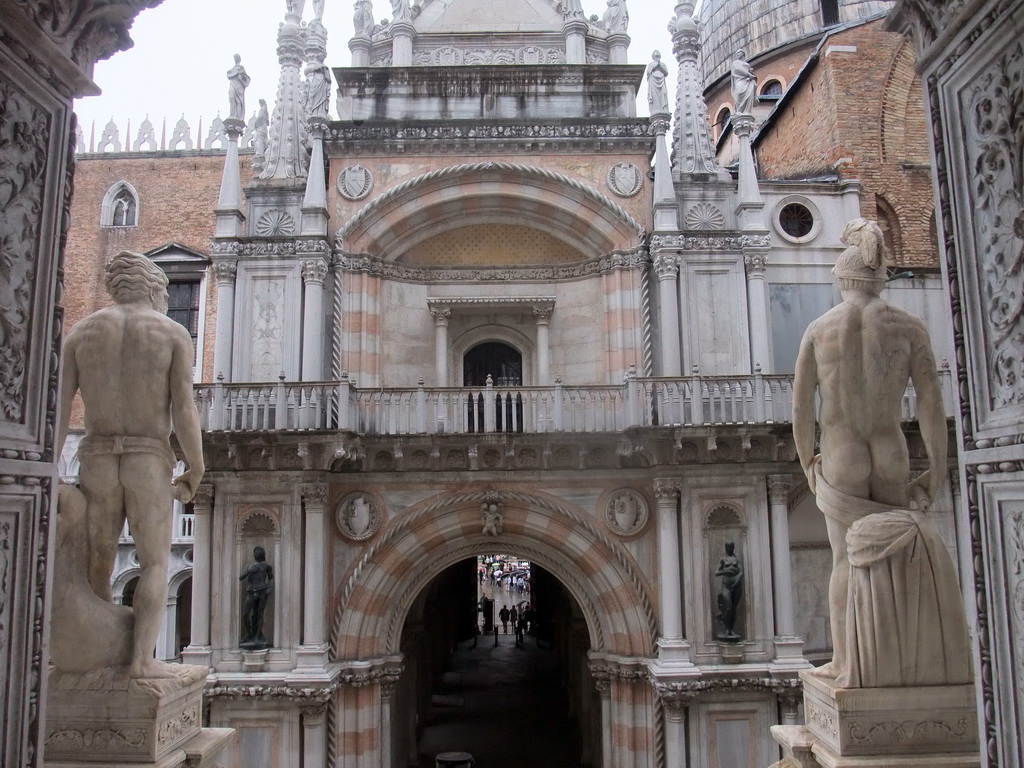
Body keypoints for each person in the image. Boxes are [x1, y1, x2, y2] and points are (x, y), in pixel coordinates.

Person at [793, 217, 951, 684]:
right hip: (891, 450)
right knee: (896, 558)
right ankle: (897, 666)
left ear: (842, 280)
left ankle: (845, 665)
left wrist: (807, 462)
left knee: (844, 560)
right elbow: (930, 403)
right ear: (881, 280)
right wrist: (936, 469)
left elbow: (802, 407)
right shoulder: (910, 326)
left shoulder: (820, 329)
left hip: (840, 452)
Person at [57, 250, 204, 679]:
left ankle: (101, 658)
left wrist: (47, 466)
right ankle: (141, 661)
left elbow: (59, 408)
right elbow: (184, 410)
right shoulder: (171, 332)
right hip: (147, 454)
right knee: (155, 561)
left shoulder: (80, 334)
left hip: (96, 453)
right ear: (156, 288)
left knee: (98, 560)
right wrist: (195, 466)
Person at [239, 546, 275, 649]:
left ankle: (257, 635)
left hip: (262, 591)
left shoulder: (267, 566)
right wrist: (249, 570)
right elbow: (241, 577)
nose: (256, 553)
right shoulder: (250, 566)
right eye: (255, 551)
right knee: (245, 614)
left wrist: (270, 588)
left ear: (263, 554)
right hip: (251, 591)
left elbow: (271, 578)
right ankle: (249, 633)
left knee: (259, 614)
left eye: (259, 551)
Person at [714, 541, 743, 641]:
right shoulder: (723, 559)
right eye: (728, 547)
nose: (729, 549)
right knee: (729, 607)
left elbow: (741, 571)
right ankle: (726, 628)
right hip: (726, 584)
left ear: (733, 548)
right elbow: (716, 572)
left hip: (736, 584)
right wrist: (726, 571)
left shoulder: (736, 559)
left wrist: (737, 579)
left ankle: (730, 630)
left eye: (731, 547)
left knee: (734, 608)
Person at [730, 48, 757, 115]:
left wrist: (751, 74)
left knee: (749, 94)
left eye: (738, 53)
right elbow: (738, 69)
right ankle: (739, 110)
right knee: (739, 93)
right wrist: (748, 74)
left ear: (742, 53)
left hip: (748, 81)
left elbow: (749, 71)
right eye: (736, 54)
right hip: (740, 80)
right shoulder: (735, 63)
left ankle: (746, 111)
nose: (737, 55)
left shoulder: (746, 64)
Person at [645, 51, 670, 115]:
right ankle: (655, 110)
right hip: (653, 81)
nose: (657, 57)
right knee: (654, 95)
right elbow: (648, 72)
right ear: (653, 57)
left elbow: (666, 73)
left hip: (661, 81)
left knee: (663, 94)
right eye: (655, 56)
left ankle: (664, 108)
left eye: (658, 55)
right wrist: (656, 65)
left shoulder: (662, 64)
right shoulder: (651, 64)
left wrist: (660, 65)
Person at [227, 53, 251, 121]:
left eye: (237, 57)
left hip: (239, 86)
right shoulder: (232, 69)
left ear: (239, 59)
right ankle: (232, 114)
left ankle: (237, 116)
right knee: (232, 98)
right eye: (235, 57)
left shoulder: (241, 67)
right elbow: (229, 74)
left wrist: (240, 74)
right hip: (232, 84)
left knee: (238, 101)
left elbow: (246, 78)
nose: (236, 59)